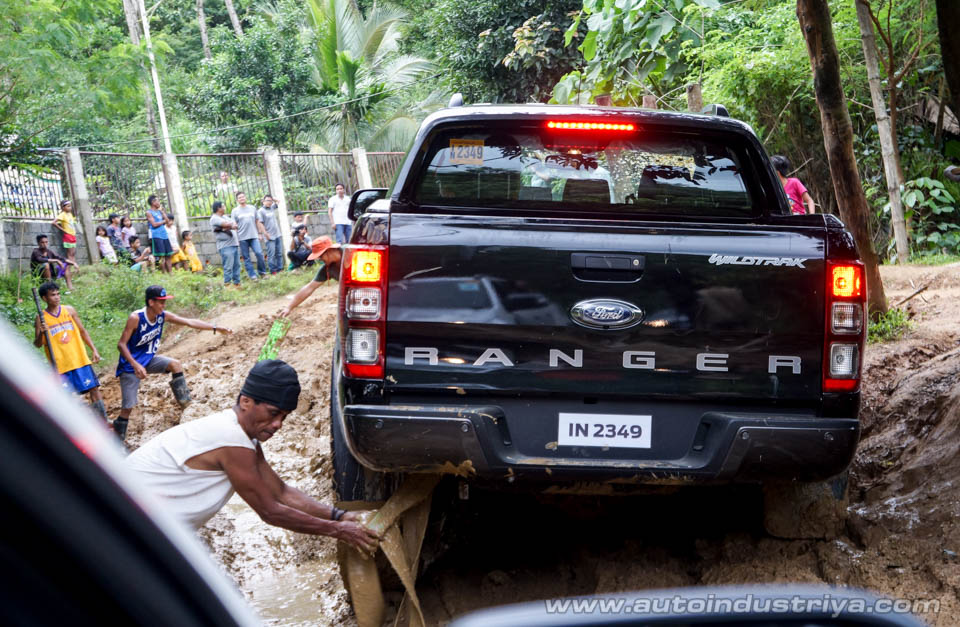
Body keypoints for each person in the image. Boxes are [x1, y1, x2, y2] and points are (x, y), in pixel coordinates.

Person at [124, 360, 379, 552]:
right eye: (272, 413)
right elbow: (270, 511)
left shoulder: (242, 436)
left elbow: (280, 492)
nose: (278, 424)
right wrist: (338, 530)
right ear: (246, 401)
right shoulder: (230, 439)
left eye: (284, 417)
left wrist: (340, 516)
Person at [113, 285, 233, 442]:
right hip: (131, 366)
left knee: (175, 364)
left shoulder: (163, 315)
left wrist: (215, 328)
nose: (163, 305)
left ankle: (186, 405)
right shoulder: (136, 318)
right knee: (128, 407)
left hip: (148, 359)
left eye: (164, 302)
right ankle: (117, 435)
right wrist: (135, 365)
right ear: (151, 302)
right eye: (160, 302)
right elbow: (121, 344)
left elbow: (188, 322)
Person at [33, 282, 108, 421]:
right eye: (52, 295)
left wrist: (94, 349)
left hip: (79, 358)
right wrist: (41, 333)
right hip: (61, 364)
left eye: (58, 294)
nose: (56, 297)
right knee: (67, 397)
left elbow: (82, 331)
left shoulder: (69, 310)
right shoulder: (41, 318)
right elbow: (37, 344)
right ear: (44, 298)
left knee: (94, 389)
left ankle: (103, 420)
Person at [279, 237, 341, 317]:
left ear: (329, 250)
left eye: (320, 256)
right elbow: (309, 288)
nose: (320, 259)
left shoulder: (353, 252)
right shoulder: (327, 269)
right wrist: (289, 308)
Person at [231, 192, 268, 280]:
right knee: (246, 258)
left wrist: (259, 233)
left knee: (259, 254)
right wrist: (236, 239)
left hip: (254, 236)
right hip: (242, 238)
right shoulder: (235, 211)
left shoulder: (252, 208)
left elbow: (257, 221)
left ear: (245, 197)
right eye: (239, 198)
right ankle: (252, 275)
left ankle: (262, 272)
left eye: (243, 197)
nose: (242, 198)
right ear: (237, 200)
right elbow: (234, 224)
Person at [210, 200, 241, 287]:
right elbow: (227, 224)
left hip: (234, 244)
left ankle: (237, 284)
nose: (225, 207)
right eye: (223, 206)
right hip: (225, 246)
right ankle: (227, 285)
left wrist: (228, 226)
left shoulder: (225, 216)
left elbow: (233, 223)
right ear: (218, 208)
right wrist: (229, 226)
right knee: (228, 266)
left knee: (237, 265)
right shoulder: (214, 218)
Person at [146, 195, 174, 273]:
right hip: (157, 235)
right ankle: (164, 273)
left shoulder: (159, 212)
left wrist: (162, 212)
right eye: (157, 201)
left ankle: (171, 273)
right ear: (153, 202)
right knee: (161, 256)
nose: (159, 203)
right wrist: (163, 221)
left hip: (164, 235)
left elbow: (168, 221)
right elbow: (154, 224)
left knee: (168, 255)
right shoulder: (149, 212)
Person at [258, 194, 284, 274]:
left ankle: (280, 269)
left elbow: (278, 201)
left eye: (271, 201)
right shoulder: (260, 211)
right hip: (269, 236)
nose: (269, 202)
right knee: (271, 255)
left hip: (277, 234)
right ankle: (273, 271)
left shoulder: (272, 208)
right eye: (267, 200)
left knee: (279, 253)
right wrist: (265, 234)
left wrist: (273, 198)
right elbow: (260, 223)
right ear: (263, 201)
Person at [52, 199, 78, 265]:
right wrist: (63, 230)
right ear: (63, 207)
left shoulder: (70, 214)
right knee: (70, 253)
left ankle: (74, 266)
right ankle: (72, 267)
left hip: (72, 235)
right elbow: (54, 222)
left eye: (70, 206)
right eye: (68, 206)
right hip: (68, 235)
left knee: (73, 253)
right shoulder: (62, 214)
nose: (70, 208)